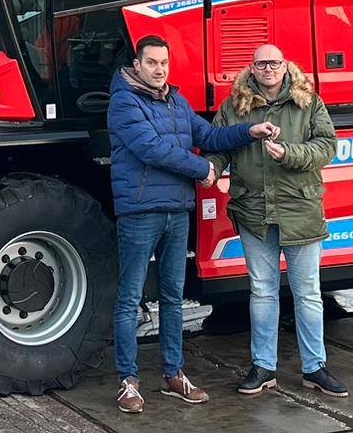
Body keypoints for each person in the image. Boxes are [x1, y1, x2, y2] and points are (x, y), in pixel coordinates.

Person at [108, 35, 277, 413]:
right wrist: (203, 169)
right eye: (151, 63)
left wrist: (248, 130)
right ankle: (128, 382)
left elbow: (210, 135)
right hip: (140, 211)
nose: (159, 69)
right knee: (130, 299)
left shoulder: (176, 102)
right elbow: (151, 148)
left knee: (172, 298)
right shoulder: (123, 102)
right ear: (137, 65)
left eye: (163, 63)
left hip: (177, 210)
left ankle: (173, 374)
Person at [207, 44, 347, 398]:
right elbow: (218, 144)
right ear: (251, 69)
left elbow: (327, 146)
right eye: (261, 63)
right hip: (254, 212)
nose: (268, 69)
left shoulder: (308, 102)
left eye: (274, 63)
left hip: (300, 211)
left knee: (308, 295)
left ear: (286, 66)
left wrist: (290, 154)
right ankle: (263, 368)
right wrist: (210, 168)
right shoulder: (234, 107)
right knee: (263, 293)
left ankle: (315, 368)